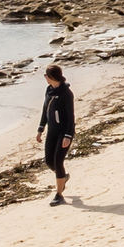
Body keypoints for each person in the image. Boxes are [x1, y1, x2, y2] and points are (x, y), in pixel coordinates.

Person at [35, 64, 74, 206]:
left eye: (46, 75)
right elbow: (45, 109)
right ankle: (63, 177)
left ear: (51, 77)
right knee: (49, 161)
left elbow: (71, 117)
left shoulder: (66, 94)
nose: (45, 77)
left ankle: (59, 194)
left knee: (58, 161)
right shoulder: (49, 90)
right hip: (52, 131)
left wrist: (68, 136)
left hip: (64, 133)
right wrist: (40, 128)